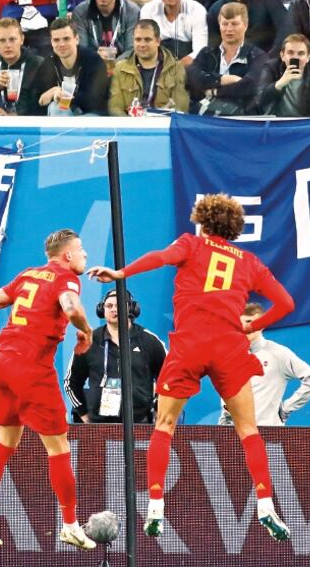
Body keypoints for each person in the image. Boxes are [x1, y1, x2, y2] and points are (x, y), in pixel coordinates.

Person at [87, 194, 295, 542]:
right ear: (233, 228)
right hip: (229, 347)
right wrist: (246, 328)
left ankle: (155, 506)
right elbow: (287, 302)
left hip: (190, 345)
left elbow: (160, 258)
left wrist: (121, 273)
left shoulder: (191, 244)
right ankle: (265, 505)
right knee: (248, 430)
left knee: (165, 424)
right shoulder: (249, 261)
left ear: (203, 221)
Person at [0, 228, 97, 551]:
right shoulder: (66, 278)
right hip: (32, 368)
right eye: (81, 250)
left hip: (5, 364)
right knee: (59, 448)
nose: (85, 255)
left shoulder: (28, 274)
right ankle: (70, 525)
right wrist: (86, 331)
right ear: (67, 255)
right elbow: (71, 307)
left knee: (6, 442)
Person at [65, 289, 167, 424]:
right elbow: (70, 382)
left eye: (119, 305)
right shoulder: (89, 340)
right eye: (109, 306)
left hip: (140, 424)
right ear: (102, 310)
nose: (114, 309)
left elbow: (171, 377)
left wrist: (160, 410)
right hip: (98, 426)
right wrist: (83, 414)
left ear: (132, 308)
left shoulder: (149, 341)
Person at [218, 302, 310, 426]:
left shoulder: (278, 353)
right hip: (236, 436)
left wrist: (285, 409)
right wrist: (224, 427)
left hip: (270, 436)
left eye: (250, 321)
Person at [187, 2, 267, 115]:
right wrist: (223, 79)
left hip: (242, 117)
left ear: (245, 25)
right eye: (225, 24)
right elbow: (193, 77)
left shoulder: (257, 56)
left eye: (234, 24)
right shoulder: (207, 53)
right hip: (205, 117)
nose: (229, 29)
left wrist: (215, 91)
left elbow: (250, 86)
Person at [108, 18, 189, 115]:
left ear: (158, 41)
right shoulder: (120, 68)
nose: (142, 44)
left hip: (162, 126)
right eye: (138, 39)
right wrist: (130, 126)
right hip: (129, 126)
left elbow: (181, 107)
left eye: (147, 40)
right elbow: (115, 107)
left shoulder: (176, 68)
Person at [34, 17, 109, 115]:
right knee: (56, 107)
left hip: (91, 115)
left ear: (76, 39)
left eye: (66, 39)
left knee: (59, 105)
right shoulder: (49, 63)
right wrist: (52, 93)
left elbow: (96, 100)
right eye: (56, 40)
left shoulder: (93, 60)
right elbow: (37, 99)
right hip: (63, 115)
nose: (61, 44)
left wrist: (62, 93)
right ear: (51, 42)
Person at [0, 17, 44, 116]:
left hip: (26, 121)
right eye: (2, 40)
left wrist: (14, 115)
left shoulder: (36, 63)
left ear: (22, 39)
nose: (8, 45)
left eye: (12, 39)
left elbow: (40, 103)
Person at [71, 0, 140, 65]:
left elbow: (132, 50)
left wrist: (113, 67)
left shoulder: (132, 11)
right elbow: (82, 51)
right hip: (92, 66)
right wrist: (97, 60)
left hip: (123, 68)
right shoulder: (80, 12)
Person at [139, 0, 208, 64]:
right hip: (157, 61)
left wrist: (176, 69)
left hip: (187, 63)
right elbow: (145, 46)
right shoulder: (148, 10)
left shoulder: (197, 10)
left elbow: (200, 51)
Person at [255, 32, 310, 115]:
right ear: (282, 55)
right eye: (290, 53)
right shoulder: (271, 68)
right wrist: (280, 84)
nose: (295, 57)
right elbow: (260, 100)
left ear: (308, 57)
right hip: (276, 122)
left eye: (301, 53)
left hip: (304, 124)